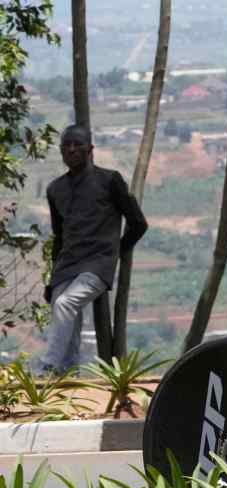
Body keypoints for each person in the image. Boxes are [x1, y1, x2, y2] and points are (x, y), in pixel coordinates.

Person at [40, 125, 148, 373]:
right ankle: (66, 378)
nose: (71, 149)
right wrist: (52, 279)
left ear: (90, 149)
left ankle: (47, 366)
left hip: (97, 265)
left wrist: (116, 252)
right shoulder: (55, 189)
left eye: (77, 144)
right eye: (66, 145)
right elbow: (59, 237)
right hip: (66, 266)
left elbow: (138, 223)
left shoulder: (110, 180)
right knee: (68, 321)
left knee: (65, 305)